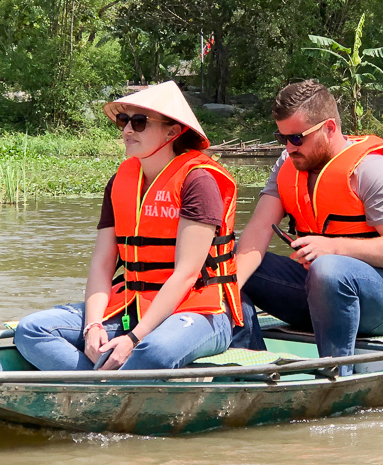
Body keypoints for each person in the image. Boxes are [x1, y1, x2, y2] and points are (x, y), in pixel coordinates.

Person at [14, 81, 240, 371]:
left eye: (139, 122)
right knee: (32, 330)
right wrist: (92, 326)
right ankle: (99, 390)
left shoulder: (198, 182)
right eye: (124, 121)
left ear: (173, 131)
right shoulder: (120, 181)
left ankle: (97, 388)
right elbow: (102, 263)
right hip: (130, 305)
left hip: (200, 311)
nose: (126, 131)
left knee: (154, 351)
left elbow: (186, 274)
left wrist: (133, 338)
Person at [231, 80, 383, 375]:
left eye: (297, 138)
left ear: (329, 129)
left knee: (329, 268)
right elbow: (257, 233)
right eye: (281, 137)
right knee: (228, 263)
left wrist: (333, 247)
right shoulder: (288, 164)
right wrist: (228, 289)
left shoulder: (371, 170)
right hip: (318, 290)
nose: (288, 147)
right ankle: (258, 371)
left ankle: (334, 376)